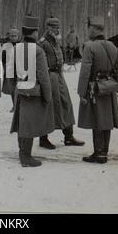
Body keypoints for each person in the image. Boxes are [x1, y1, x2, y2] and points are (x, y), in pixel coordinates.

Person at [78, 15, 118, 164]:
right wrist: (115, 87)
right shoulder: (112, 46)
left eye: (89, 28)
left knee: (97, 120)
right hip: (108, 89)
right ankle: (104, 152)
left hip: (94, 89)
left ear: (94, 29)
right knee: (107, 120)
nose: (88, 31)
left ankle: (98, 153)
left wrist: (81, 92)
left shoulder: (89, 46)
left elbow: (85, 71)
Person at [10, 16, 54, 167]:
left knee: (21, 124)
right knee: (28, 124)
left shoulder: (15, 48)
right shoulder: (38, 51)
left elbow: (10, 72)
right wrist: (48, 96)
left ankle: (22, 152)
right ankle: (26, 157)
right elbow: (44, 76)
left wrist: (14, 88)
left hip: (20, 89)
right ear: (34, 33)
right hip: (33, 91)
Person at [38, 17, 85, 149]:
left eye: (58, 27)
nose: (57, 30)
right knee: (48, 107)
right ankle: (43, 138)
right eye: (54, 27)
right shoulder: (43, 42)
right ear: (48, 28)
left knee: (66, 104)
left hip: (59, 77)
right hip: (49, 77)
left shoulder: (56, 42)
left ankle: (68, 137)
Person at [2, 28, 20, 112]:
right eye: (12, 36)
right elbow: (3, 59)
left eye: (15, 36)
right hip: (10, 70)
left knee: (20, 89)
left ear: (18, 36)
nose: (13, 38)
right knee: (12, 89)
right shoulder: (6, 46)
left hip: (20, 70)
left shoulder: (21, 45)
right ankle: (14, 105)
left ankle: (19, 105)